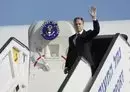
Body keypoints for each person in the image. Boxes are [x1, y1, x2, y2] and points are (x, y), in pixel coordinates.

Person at [64, 6, 100, 75]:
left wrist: (94, 18)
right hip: (75, 67)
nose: (78, 25)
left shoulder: (87, 34)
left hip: (87, 66)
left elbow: (96, 30)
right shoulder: (71, 38)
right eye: (76, 24)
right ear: (74, 25)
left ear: (83, 24)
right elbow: (70, 52)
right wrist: (67, 66)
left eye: (79, 24)